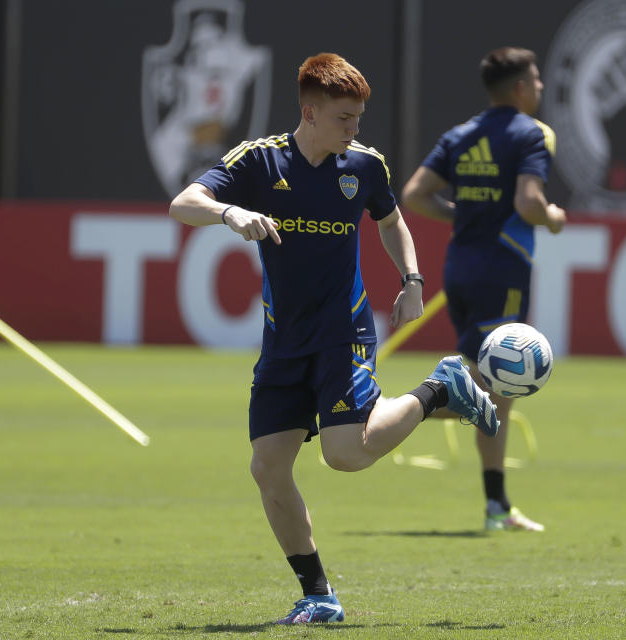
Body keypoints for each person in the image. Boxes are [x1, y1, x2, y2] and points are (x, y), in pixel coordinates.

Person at [168, 53, 500, 624]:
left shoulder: (364, 166)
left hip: (343, 333)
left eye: (359, 119)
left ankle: (438, 389)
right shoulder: (260, 160)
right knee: (268, 467)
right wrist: (230, 215)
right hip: (283, 340)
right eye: (345, 118)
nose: (355, 130)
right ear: (310, 112)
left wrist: (413, 278)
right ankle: (318, 595)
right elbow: (183, 203)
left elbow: (390, 219)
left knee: (343, 454)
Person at [401, 47, 566, 532]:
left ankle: (497, 505)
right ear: (519, 87)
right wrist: (553, 218)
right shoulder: (531, 134)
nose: (539, 88)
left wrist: (463, 214)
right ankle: (378, 408)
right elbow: (530, 203)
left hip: (461, 269)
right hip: (504, 268)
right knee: (494, 390)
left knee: (492, 389)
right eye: (535, 81)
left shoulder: (460, 135)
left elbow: (414, 195)